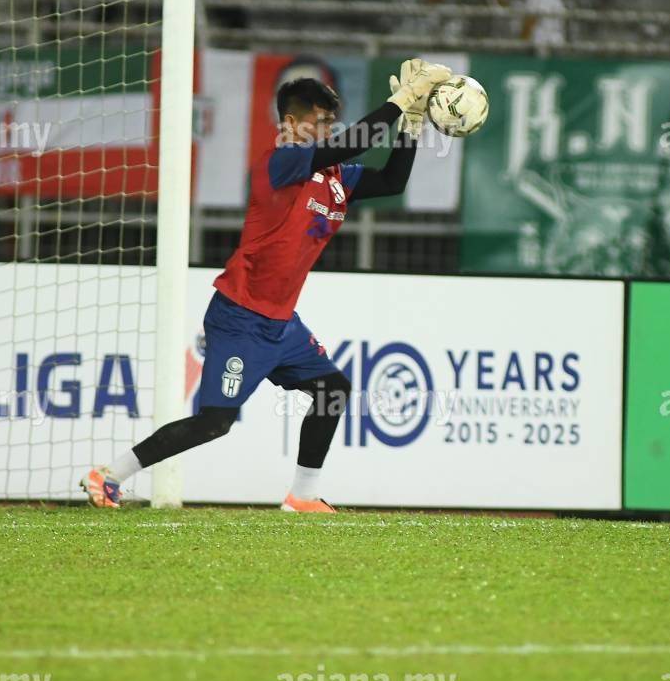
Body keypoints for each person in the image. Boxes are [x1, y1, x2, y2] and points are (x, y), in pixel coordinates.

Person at [80, 61, 455, 513]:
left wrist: (411, 122)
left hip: (282, 324)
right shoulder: (281, 162)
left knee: (332, 390)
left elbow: (393, 181)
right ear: (291, 123)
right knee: (214, 423)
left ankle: (302, 495)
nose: (328, 130)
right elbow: (351, 143)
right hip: (240, 316)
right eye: (319, 121)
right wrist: (401, 99)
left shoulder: (337, 178)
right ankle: (109, 475)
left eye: (330, 122)